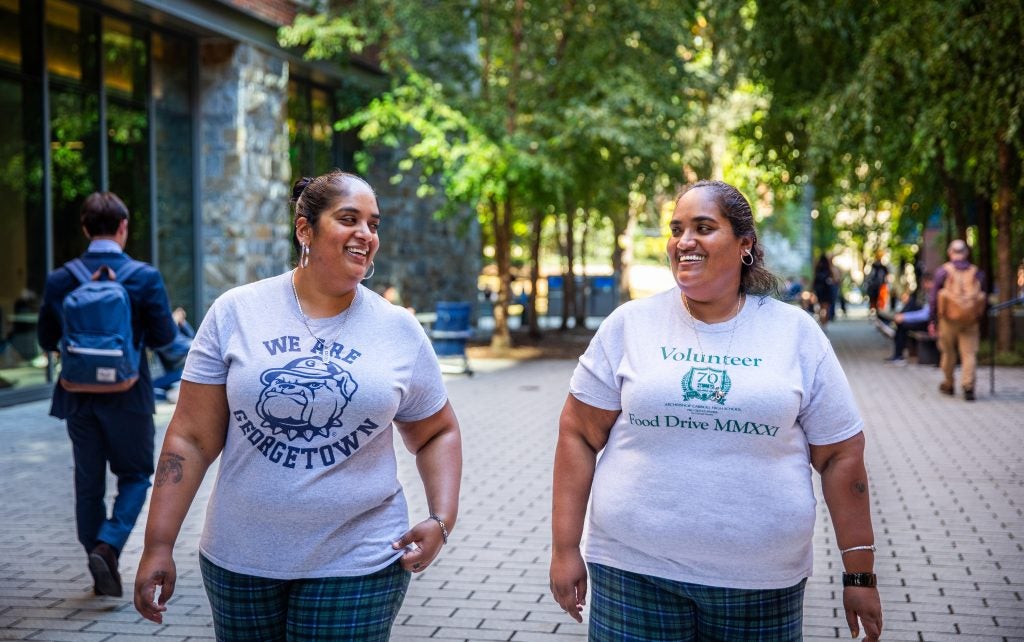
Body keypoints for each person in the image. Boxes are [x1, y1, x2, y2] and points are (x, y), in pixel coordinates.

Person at [133, 170, 462, 641]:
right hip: (239, 560)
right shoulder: (236, 312)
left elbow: (437, 432)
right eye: (348, 219)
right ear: (304, 229)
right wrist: (158, 544)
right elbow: (190, 437)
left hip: (360, 560)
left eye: (374, 224)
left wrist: (440, 518)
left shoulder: (397, 330)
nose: (365, 234)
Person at [549, 180, 882, 641]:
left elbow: (841, 456)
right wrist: (565, 548)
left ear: (744, 244)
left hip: (761, 584)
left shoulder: (795, 334)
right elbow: (578, 435)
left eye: (703, 228)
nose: (684, 242)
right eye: (677, 229)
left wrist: (859, 573)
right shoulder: (629, 325)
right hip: (634, 573)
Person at [37, 191, 179, 597]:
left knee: (88, 483)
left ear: (85, 229)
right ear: (123, 228)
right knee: (135, 475)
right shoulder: (143, 276)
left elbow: (47, 337)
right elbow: (165, 337)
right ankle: (109, 544)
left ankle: (96, 556)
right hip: (129, 395)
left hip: (77, 395)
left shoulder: (62, 278)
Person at [929, 239, 985, 401]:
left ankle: (949, 382)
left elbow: (934, 299)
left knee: (948, 352)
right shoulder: (976, 272)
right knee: (969, 354)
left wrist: (932, 320)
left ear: (950, 252)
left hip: (948, 320)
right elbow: (984, 298)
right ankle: (968, 386)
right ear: (966, 253)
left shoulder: (943, 272)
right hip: (970, 321)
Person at [883, 273, 934, 365]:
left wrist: (905, 317)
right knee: (909, 306)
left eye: (925, 283)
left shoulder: (935, 294)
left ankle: (898, 355)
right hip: (928, 321)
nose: (923, 285)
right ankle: (898, 355)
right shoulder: (926, 294)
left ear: (931, 282)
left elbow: (925, 315)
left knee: (902, 324)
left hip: (931, 324)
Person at [152, 306, 194, 402]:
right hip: (174, 371)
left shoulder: (173, 333)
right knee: (151, 389)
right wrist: (175, 321)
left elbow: (192, 341)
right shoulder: (162, 332)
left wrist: (182, 323)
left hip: (182, 368)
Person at [812, 253, 837, 326]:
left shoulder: (817, 268)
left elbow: (814, 279)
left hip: (819, 290)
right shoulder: (828, 268)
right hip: (827, 290)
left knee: (820, 306)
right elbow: (834, 279)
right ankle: (824, 322)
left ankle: (821, 321)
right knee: (825, 307)